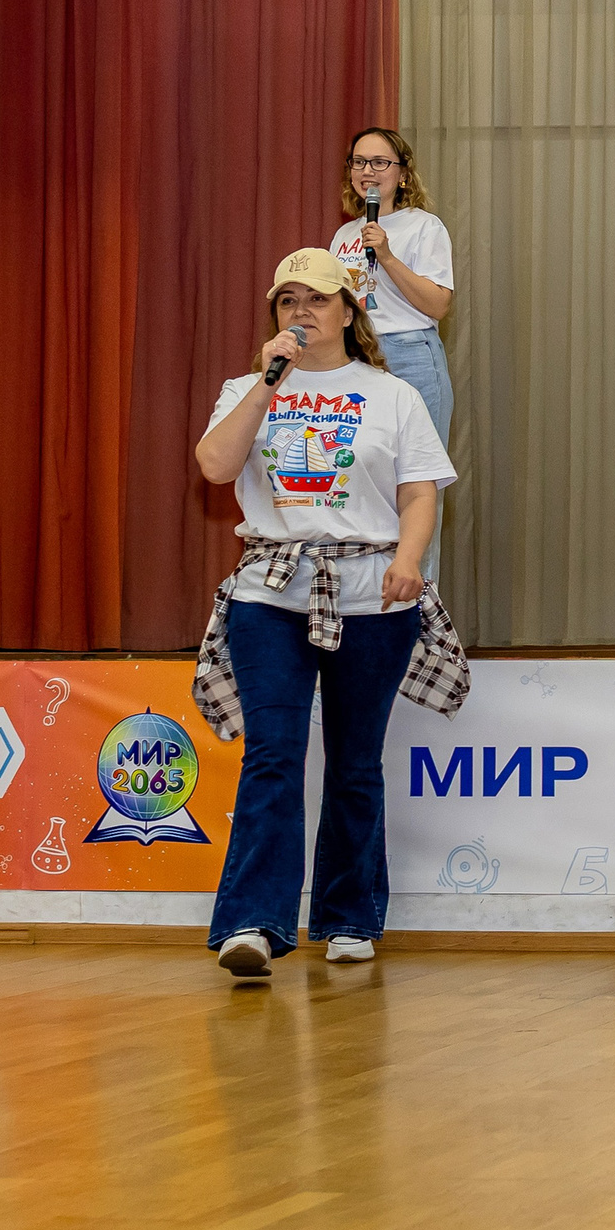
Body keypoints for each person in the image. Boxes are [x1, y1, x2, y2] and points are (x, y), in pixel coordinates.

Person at [190, 249, 467, 979]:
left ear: (348, 311)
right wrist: (266, 384)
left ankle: (348, 917)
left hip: (371, 590)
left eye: (316, 299)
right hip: (269, 593)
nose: (301, 312)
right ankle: (253, 921)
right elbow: (216, 467)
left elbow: (419, 491)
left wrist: (409, 560)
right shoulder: (247, 388)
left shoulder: (392, 395)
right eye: (287, 301)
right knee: (273, 755)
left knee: (353, 761)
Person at [329, 128, 455, 579]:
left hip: (410, 355)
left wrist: (386, 254)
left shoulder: (424, 226)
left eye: (380, 163)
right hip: (354, 359)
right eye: (359, 162)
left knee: (416, 485)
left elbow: (438, 304)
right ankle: (367, 595)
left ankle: (421, 610)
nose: (368, 171)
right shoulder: (344, 234)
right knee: (361, 477)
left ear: (401, 175)